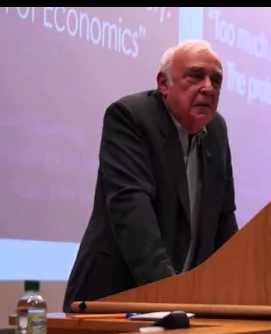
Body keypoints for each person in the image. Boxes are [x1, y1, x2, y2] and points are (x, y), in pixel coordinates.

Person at [63, 40, 238, 311]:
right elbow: (132, 214)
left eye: (216, 80)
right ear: (163, 84)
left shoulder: (216, 130)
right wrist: (173, 298)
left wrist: (237, 291)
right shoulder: (130, 117)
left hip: (185, 307)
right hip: (115, 297)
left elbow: (224, 220)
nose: (208, 87)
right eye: (195, 76)